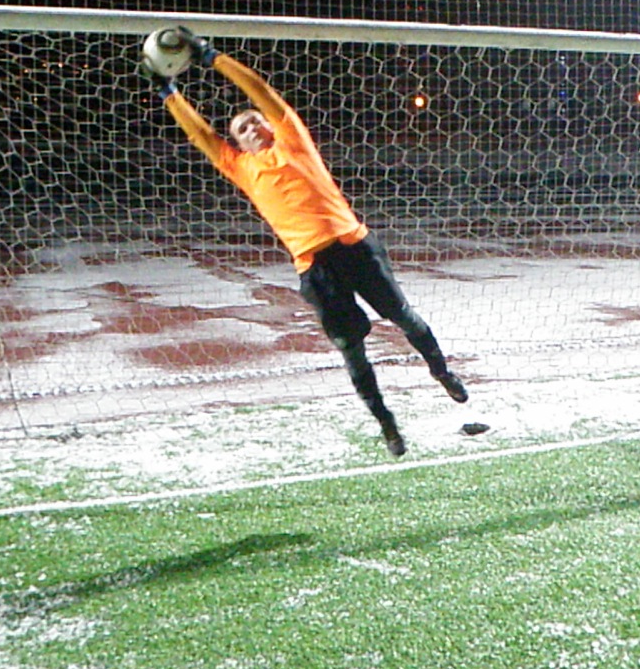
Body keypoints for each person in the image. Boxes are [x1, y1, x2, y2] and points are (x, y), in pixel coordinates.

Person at [141, 27, 468, 457]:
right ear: (237, 143)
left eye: (255, 121)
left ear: (269, 124)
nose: (252, 127)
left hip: (354, 245)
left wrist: (213, 57)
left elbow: (260, 91)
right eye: (241, 129)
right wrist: (168, 93)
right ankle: (386, 423)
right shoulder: (241, 168)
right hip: (315, 266)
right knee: (352, 349)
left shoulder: (293, 140)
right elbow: (200, 134)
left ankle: (441, 372)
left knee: (403, 316)